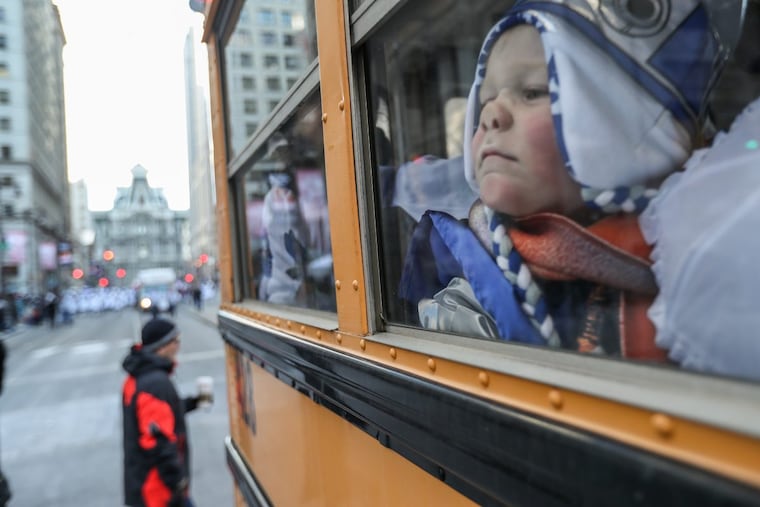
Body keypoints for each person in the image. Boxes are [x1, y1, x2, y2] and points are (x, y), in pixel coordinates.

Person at [400, 0, 744, 359]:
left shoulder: (726, 260)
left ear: (626, 126)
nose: (491, 115)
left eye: (531, 91)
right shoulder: (460, 288)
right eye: (485, 100)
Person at [122, 318, 200, 507]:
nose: (178, 346)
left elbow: (159, 416)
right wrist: (178, 481)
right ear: (162, 346)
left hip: (145, 484)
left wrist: (192, 403)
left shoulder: (140, 376)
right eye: (176, 340)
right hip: (159, 492)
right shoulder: (155, 383)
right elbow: (157, 440)